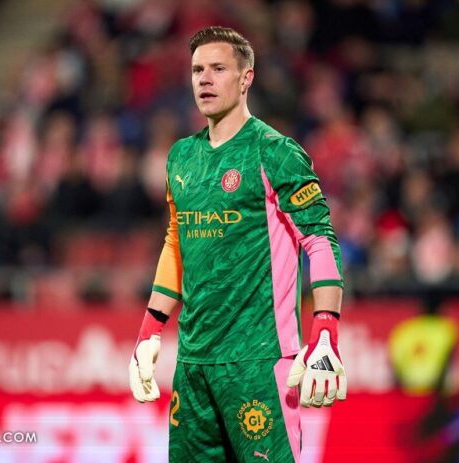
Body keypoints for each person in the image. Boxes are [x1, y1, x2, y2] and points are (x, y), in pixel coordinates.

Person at [128, 26, 347, 462]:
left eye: (218, 69)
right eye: (197, 70)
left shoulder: (275, 152)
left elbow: (319, 240)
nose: (204, 79)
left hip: (259, 362)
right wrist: (149, 331)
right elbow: (176, 243)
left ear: (246, 78)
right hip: (193, 366)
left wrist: (325, 332)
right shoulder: (180, 157)